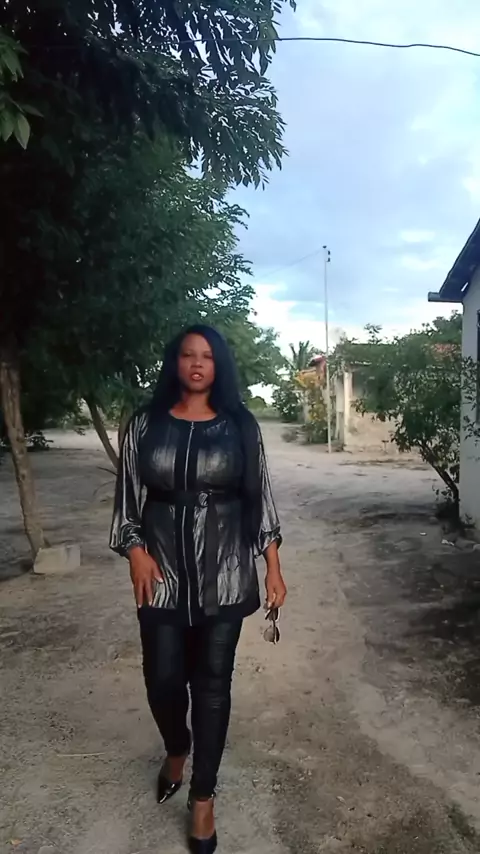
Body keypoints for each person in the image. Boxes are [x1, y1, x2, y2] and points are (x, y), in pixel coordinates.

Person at [110, 324, 286, 854]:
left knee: (212, 684)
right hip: (161, 570)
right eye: (187, 355)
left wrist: (273, 566)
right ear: (175, 362)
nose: (196, 363)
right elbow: (127, 499)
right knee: (163, 678)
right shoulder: (145, 424)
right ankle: (176, 747)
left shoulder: (240, 425)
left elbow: (260, 496)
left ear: (218, 365)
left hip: (225, 569)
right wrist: (135, 551)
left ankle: (203, 797)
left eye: (206, 356)